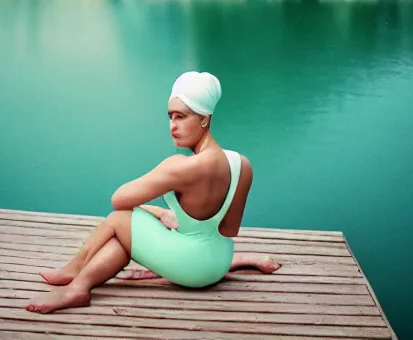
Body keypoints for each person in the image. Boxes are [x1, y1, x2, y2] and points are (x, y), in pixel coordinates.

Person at [25, 71, 280, 314]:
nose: (172, 125)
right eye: (170, 117)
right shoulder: (242, 165)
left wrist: (157, 210)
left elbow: (119, 200)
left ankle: (77, 279)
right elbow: (228, 230)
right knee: (127, 235)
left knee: (119, 220)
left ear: (204, 118)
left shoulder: (179, 166)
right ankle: (78, 280)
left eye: (181, 117)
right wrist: (179, 221)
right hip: (218, 262)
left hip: (194, 270)